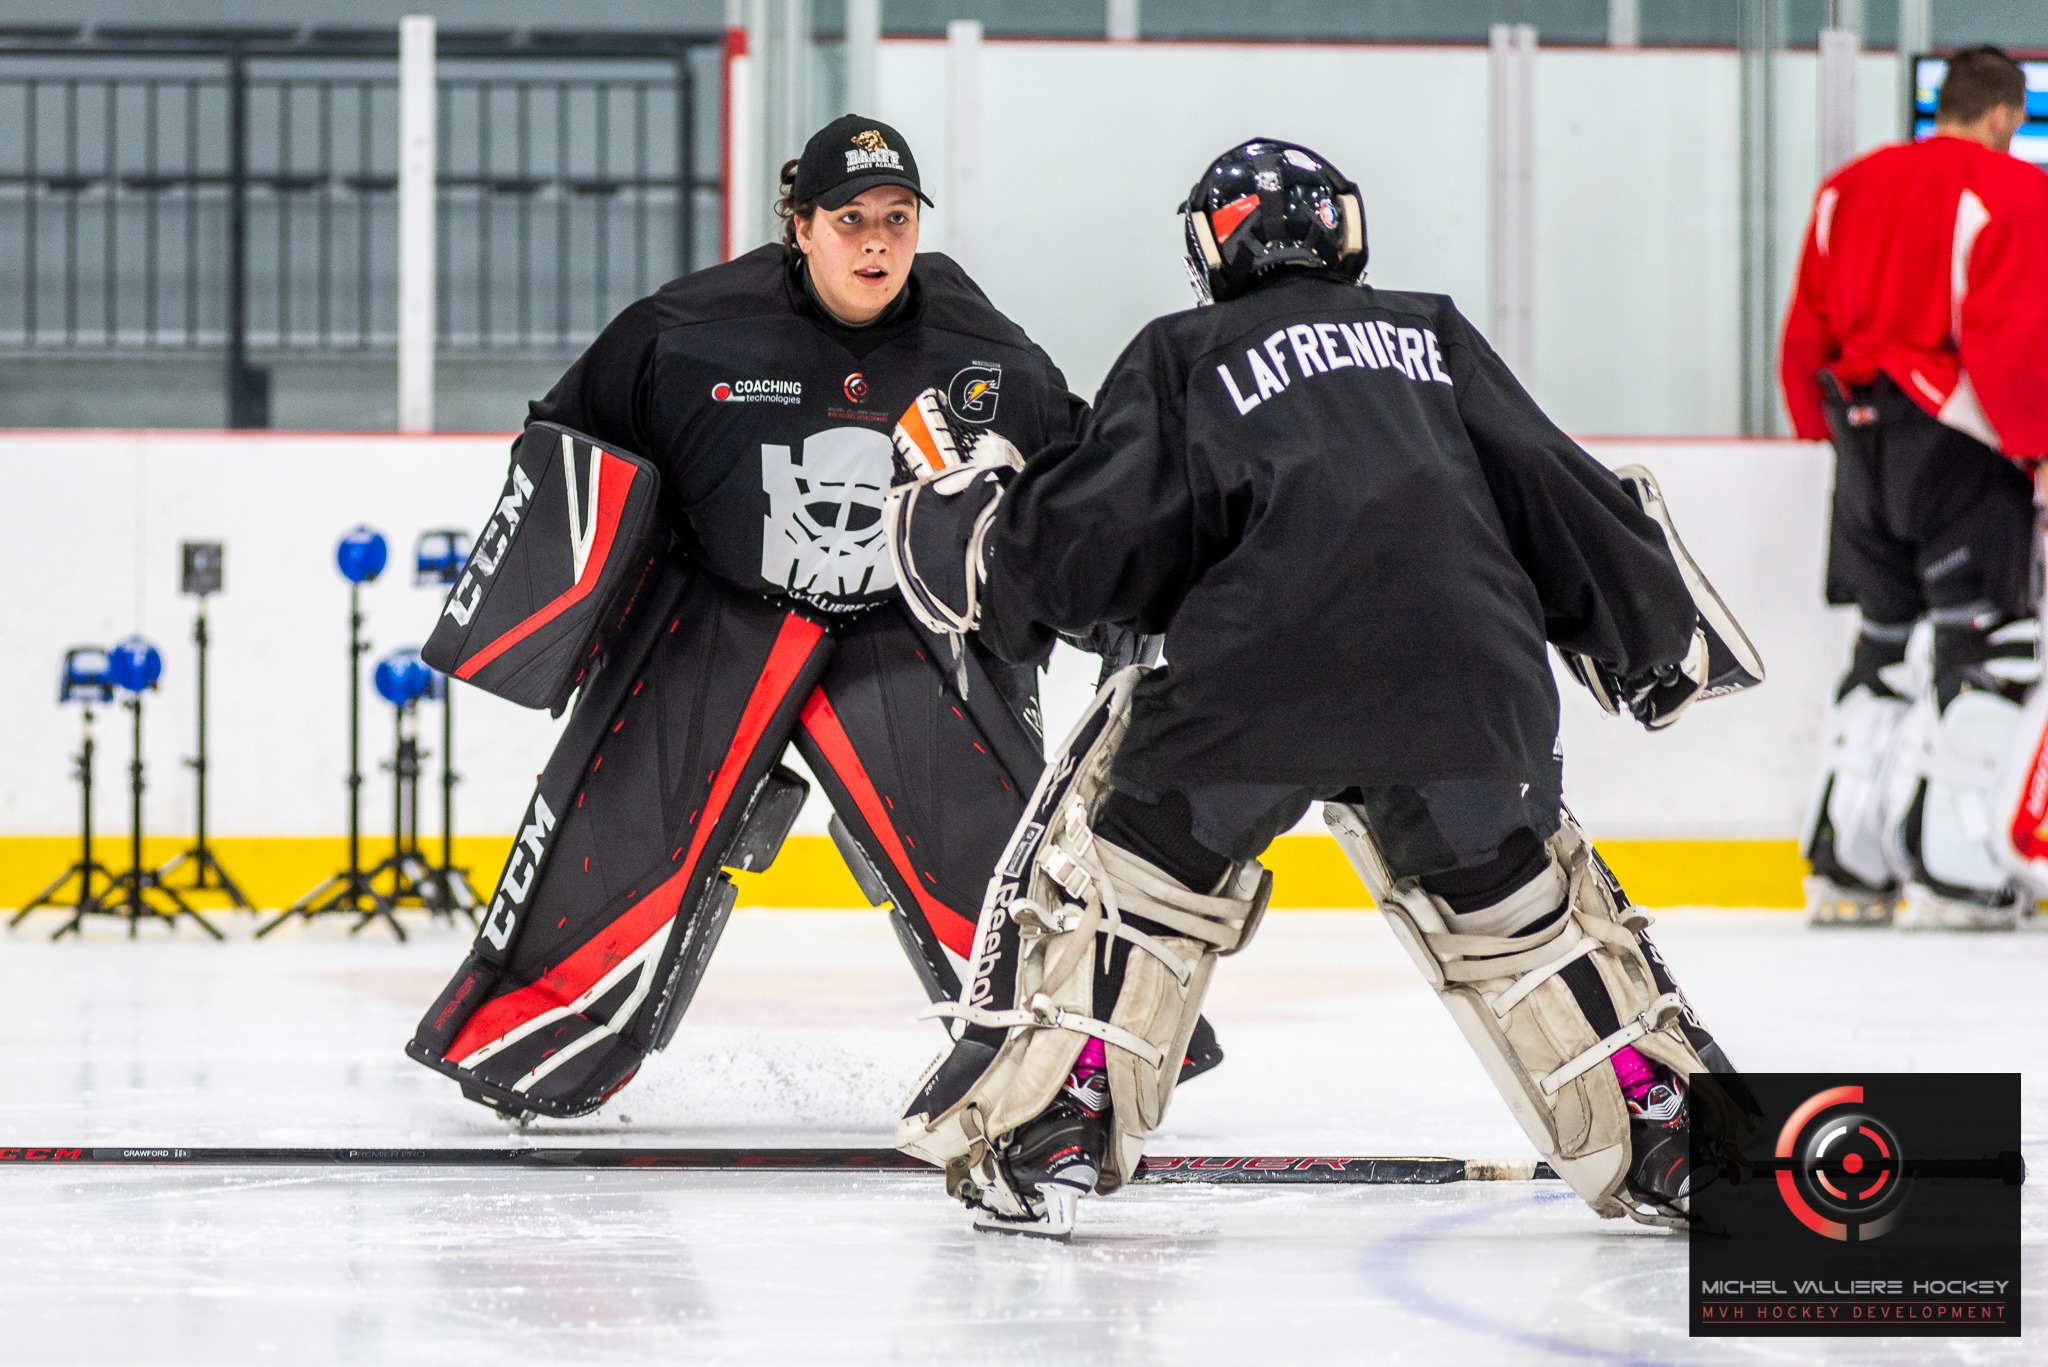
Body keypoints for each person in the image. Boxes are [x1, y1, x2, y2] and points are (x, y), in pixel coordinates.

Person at [884, 138, 1761, 1238]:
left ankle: (1062, 1115)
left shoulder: (1184, 351)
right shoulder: (1429, 334)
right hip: (1467, 685)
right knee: (1522, 917)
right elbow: (1552, 486)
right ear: (1342, 230)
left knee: (1131, 887)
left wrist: (986, 535)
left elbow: (1095, 541)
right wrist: (1647, 631)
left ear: (1213, 245)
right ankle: (1663, 1122)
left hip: (1255, 684)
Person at [406, 114, 1216, 1121]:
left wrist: (1130, 608)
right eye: (848, 218)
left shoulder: (985, 354)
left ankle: (1081, 1051)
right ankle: (528, 1028)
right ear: (800, 225)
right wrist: (562, 620)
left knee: (993, 854)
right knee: (614, 836)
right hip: (718, 613)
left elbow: (1077, 490)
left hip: (895, 627)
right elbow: (569, 439)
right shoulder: (687, 332)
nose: (875, 239)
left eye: (895, 216)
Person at [1782, 45, 2048, 932]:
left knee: (1883, 648)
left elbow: (1804, 334)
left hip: (1860, 439)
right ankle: (1958, 870)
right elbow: (2006, 333)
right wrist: (2040, 449)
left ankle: (1847, 866)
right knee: (1987, 645)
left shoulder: (1845, 188)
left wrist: (1838, 441)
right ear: (2007, 115)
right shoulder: (2010, 189)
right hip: (1960, 445)